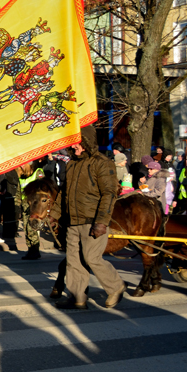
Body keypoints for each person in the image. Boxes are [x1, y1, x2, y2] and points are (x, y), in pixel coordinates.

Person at [51, 126, 125, 310]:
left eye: (77, 142)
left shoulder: (102, 162)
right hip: (72, 221)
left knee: (91, 258)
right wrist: (54, 215)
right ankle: (77, 298)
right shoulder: (72, 164)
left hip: (93, 221)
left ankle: (116, 287)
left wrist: (101, 222)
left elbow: (109, 193)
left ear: (87, 142)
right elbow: (64, 193)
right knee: (74, 261)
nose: (73, 146)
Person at [17, 161, 45, 260]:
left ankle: (35, 249)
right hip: (25, 205)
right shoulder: (22, 175)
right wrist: (17, 203)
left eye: (23, 164)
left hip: (34, 205)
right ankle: (30, 249)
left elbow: (41, 189)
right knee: (26, 227)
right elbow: (19, 190)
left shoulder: (38, 172)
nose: (21, 166)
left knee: (32, 227)